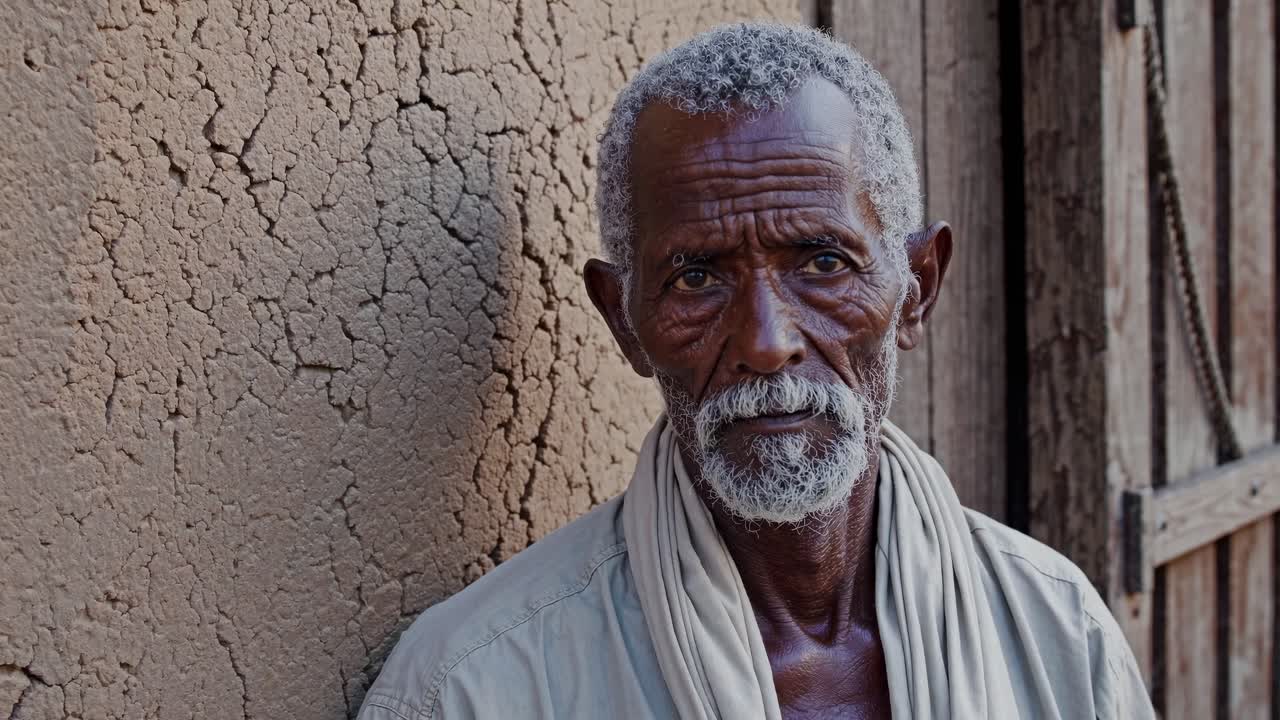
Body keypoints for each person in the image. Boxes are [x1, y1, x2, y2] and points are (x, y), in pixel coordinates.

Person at [358, 22, 1155, 719]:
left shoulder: (1058, 635)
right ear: (624, 320)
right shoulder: (475, 688)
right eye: (697, 278)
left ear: (916, 290)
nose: (767, 342)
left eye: (821, 261)